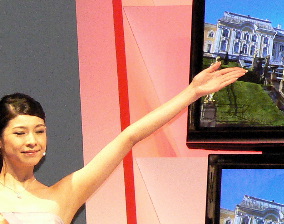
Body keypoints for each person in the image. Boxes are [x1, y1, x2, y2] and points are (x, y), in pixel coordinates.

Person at [0, 61, 245, 224]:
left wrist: (192, 92)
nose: (32, 141)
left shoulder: (64, 195)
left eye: (39, 131)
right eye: (20, 133)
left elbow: (129, 137)